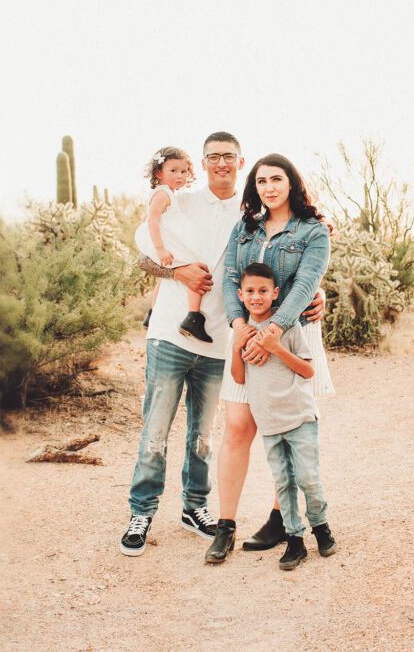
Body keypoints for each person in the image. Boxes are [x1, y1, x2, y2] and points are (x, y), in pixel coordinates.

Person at [121, 133, 325, 557]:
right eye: (213, 157)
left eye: (229, 157)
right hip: (173, 332)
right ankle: (141, 512)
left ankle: (195, 508)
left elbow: (282, 271)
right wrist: (177, 272)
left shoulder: (250, 212)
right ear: (203, 161)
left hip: (223, 342)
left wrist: (317, 295)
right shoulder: (182, 200)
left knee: (205, 434)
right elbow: (143, 251)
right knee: (156, 428)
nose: (221, 164)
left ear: (240, 161)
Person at [205, 153, 334, 564]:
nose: (268, 188)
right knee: (238, 427)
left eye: (276, 179)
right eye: (261, 181)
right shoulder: (245, 229)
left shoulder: (313, 231)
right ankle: (225, 525)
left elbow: (306, 284)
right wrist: (240, 326)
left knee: (288, 425)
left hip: (288, 335)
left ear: (292, 183)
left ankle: (283, 519)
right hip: (245, 335)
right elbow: (229, 278)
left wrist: (273, 330)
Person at [227, 263, 337, 570]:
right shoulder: (244, 332)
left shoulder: (288, 327)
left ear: (275, 294)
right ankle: (295, 540)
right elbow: (239, 378)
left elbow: (307, 370)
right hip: (270, 424)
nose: (256, 297)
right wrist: (237, 347)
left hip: (300, 418)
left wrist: (275, 347)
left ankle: (321, 526)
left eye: (263, 291)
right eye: (250, 291)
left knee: (308, 479)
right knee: (284, 483)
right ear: (240, 295)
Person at [134, 146, 211, 342]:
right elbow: (151, 220)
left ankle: (152, 313)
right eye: (173, 171)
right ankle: (193, 316)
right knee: (196, 265)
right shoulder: (162, 194)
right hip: (163, 240)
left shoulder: (166, 193)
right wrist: (160, 249)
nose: (180, 176)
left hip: (165, 238)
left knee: (166, 277)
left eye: (184, 171)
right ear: (159, 172)